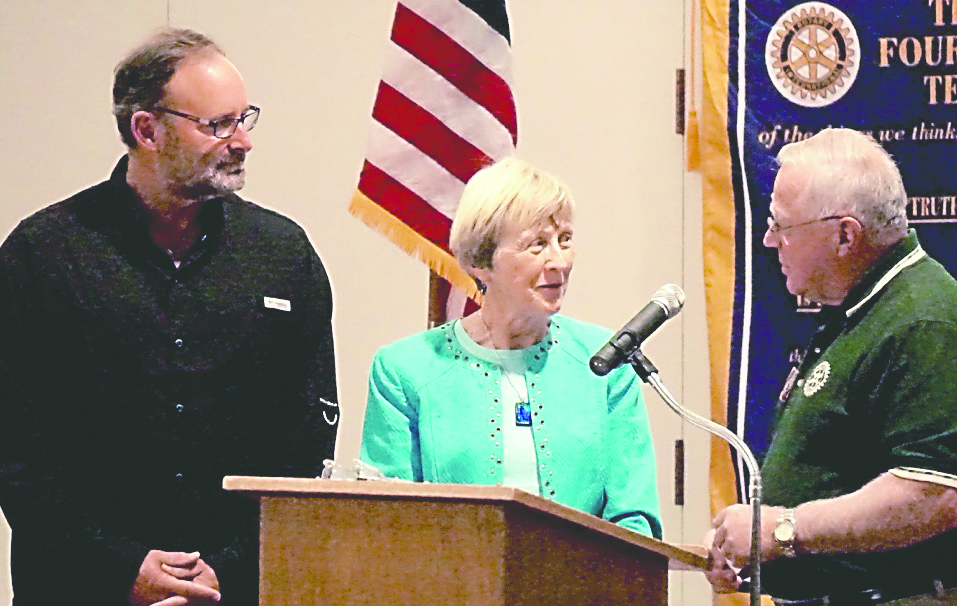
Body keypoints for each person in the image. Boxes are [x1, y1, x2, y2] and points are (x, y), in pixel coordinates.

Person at [0, 28, 339, 606]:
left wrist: (228, 570)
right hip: (80, 587)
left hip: (239, 588)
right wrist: (117, 568)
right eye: (218, 125)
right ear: (147, 130)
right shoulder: (43, 256)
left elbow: (307, 440)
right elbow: (16, 449)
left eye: (244, 119)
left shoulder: (283, 256)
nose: (242, 142)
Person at [705, 128, 957, 604]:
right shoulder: (864, 310)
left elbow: (933, 492)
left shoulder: (924, 320)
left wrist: (780, 529)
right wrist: (754, 548)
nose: (769, 240)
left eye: (781, 225)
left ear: (844, 235)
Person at [359, 157, 662, 539]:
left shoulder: (605, 362)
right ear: (482, 261)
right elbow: (388, 524)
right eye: (537, 245)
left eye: (565, 240)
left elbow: (635, 519)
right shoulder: (405, 369)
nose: (559, 262)